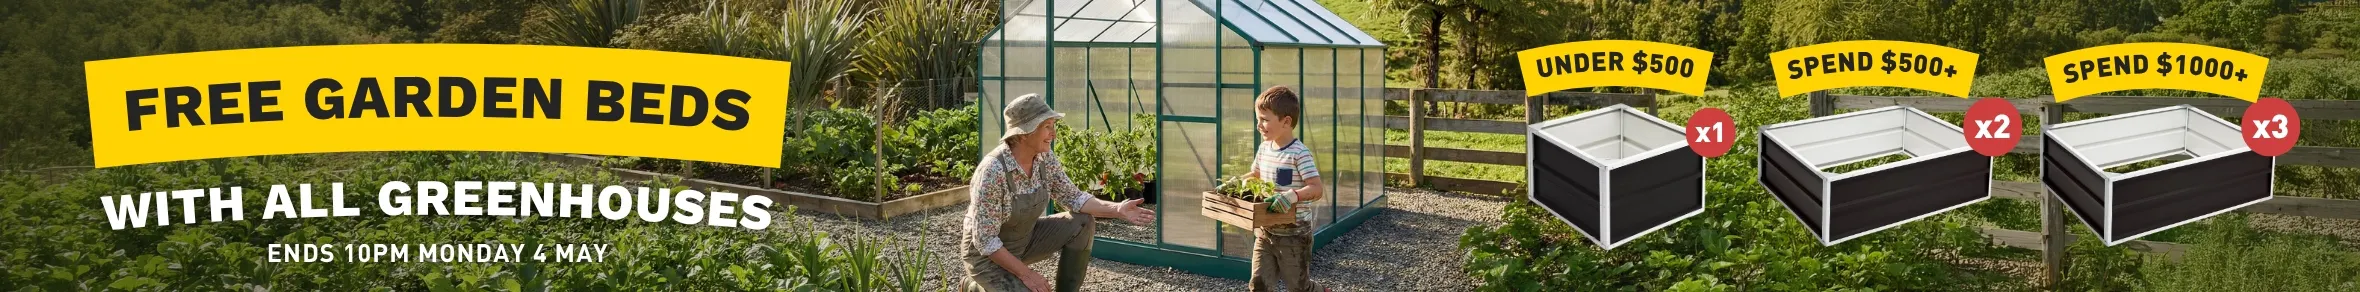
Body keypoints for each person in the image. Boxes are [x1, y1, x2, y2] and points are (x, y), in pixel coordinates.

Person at [961, 93, 1158, 292]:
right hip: (986, 257)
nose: (1053, 134)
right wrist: (1028, 275)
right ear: (1023, 133)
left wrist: (1118, 209)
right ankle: (974, 287)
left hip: (1024, 241)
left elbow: (1073, 197)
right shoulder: (993, 171)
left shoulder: (1044, 159)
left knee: (1082, 222)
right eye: (1047, 126)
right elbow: (985, 241)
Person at [1234, 86, 1327, 292]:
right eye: (1258, 119)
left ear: (1286, 122)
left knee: (1298, 287)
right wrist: (1236, 183)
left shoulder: (1299, 154)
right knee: (1259, 285)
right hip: (1265, 230)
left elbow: (1316, 188)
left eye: (1265, 120)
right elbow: (1256, 175)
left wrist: (1292, 196)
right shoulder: (1264, 148)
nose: (1259, 125)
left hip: (1294, 233)